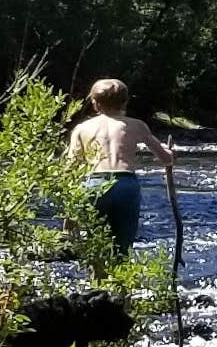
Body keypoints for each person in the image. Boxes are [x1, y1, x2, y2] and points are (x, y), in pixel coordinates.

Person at [65, 78, 169, 257]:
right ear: (125, 102)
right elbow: (165, 159)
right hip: (125, 184)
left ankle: (98, 280)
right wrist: (171, 154)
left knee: (95, 245)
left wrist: (70, 213)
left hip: (94, 184)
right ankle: (120, 282)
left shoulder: (82, 129)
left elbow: (70, 168)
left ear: (95, 103)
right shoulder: (137, 125)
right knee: (122, 246)